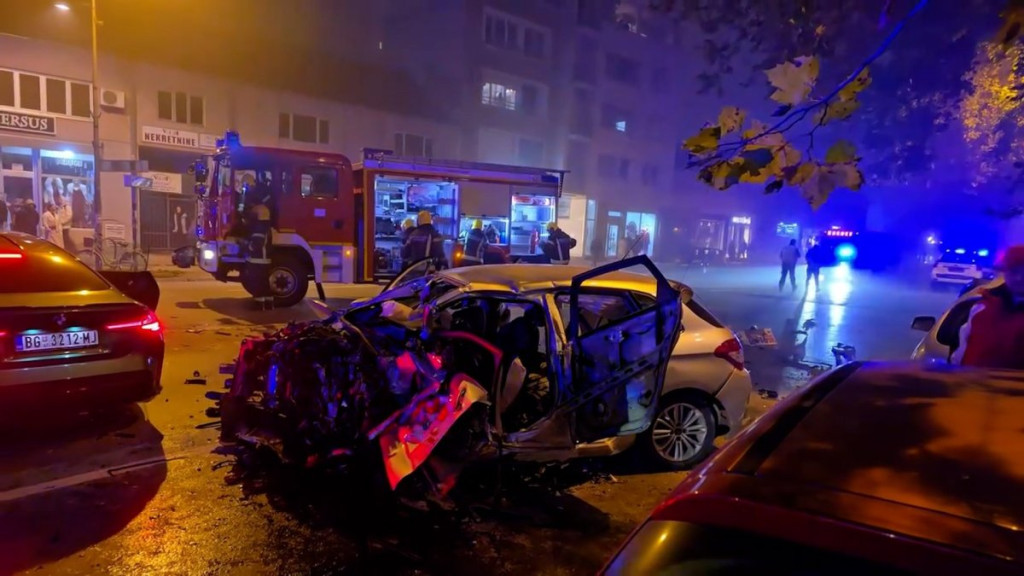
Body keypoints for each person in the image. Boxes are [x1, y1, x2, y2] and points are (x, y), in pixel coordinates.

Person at [952, 245, 1024, 368]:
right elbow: (961, 353)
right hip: (971, 379)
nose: (1019, 278)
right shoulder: (981, 308)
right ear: (1005, 272)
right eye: (1014, 271)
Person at [244, 200, 273, 310]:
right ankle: (269, 304)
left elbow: (256, 243)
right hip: (265, 259)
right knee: (265, 282)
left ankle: (258, 304)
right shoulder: (267, 227)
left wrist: (246, 246)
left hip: (258, 259)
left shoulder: (259, 227)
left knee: (257, 282)